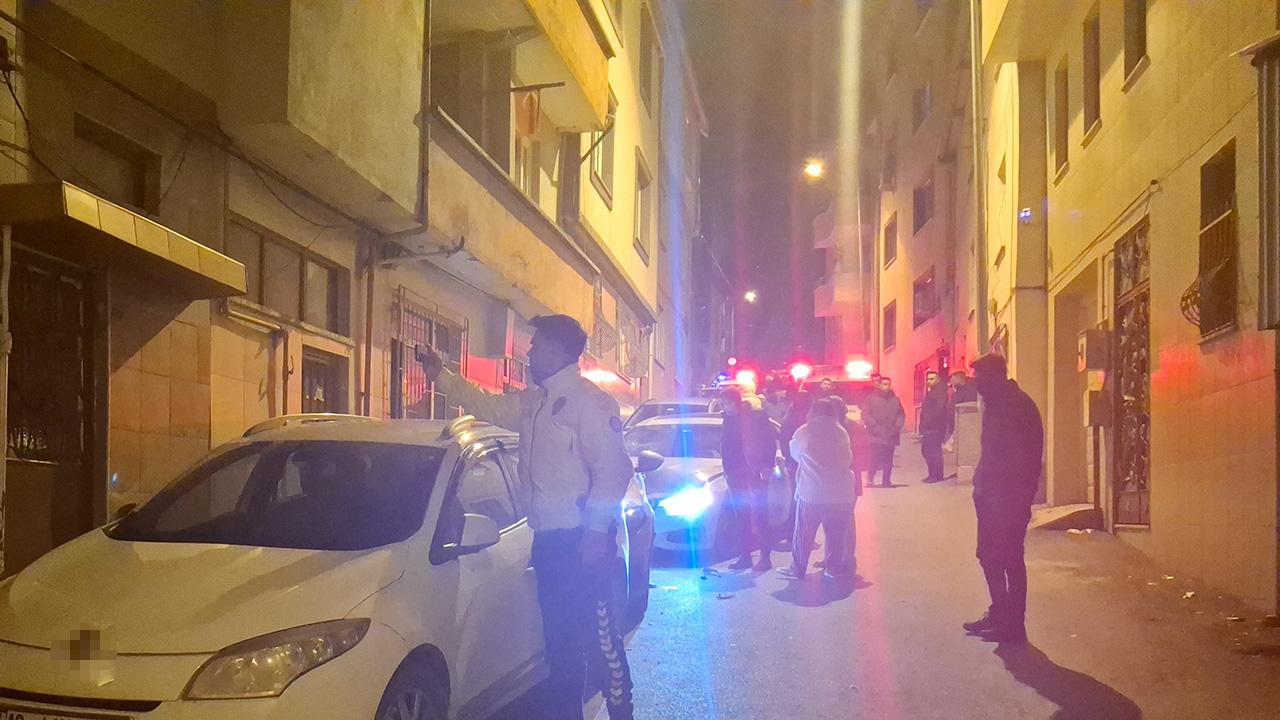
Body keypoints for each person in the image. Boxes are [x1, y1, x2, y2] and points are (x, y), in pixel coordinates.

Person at [416, 315, 635, 719]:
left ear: (558, 350)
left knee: (601, 642)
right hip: (549, 543)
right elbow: (486, 404)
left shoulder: (590, 403)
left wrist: (595, 533)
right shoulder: (533, 402)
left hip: (584, 544)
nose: (530, 351)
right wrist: (440, 375)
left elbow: (615, 470)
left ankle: (623, 713)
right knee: (560, 647)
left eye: (537, 344)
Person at [962, 353, 1044, 644]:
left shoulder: (1018, 405)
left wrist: (1020, 498)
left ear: (996, 375)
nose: (976, 382)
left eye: (980, 376)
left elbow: (1026, 458)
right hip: (990, 497)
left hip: (1009, 500)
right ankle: (1000, 613)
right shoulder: (996, 403)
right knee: (988, 555)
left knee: (1010, 558)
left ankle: (1013, 625)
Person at [779, 397, 857, 581]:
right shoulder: (841, 432)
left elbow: (795, 453)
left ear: (814, 412)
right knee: (836, 535)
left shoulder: (805, 431)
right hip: (840, 493)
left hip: (812, 493)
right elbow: (848, 458)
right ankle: (833, 568)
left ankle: (798, 568)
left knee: (804, 534)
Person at [720, 386, 780, 571]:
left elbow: (769, 441)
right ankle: (745, 556)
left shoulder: (756, 417)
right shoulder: (728, 419)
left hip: (755, 472)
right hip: (736, 474)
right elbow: (726, 446)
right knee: (742, 517)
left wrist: (767, 466)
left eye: (725, 403)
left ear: (733, 402)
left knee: (761, 515)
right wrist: (727, 470)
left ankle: (765, 558)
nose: (724, 407)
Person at [863, 376, 905, 488]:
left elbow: (901, 414)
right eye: (884, 384)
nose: (887, 387)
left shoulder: (895, 399)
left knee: (888, 459)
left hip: (891, 434)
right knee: (875, 457)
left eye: (888, 384)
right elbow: (866, 415)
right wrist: (875, 427)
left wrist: (897, 427)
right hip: (876, 434)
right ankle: (870, 479)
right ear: (880, 385)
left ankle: (886, 481)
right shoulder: (870, 399)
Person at [919, 370, 950, 484]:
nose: (928, 381)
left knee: (932, 451)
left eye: (931, 379)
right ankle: (932, 474)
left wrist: (928, 421)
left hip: (935, 427)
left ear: (938, 380)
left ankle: (936, 475)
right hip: (929, 427)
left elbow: (939, 409)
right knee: (928, 451)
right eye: (927, 379)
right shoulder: (932, 391)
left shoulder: (940, 392)